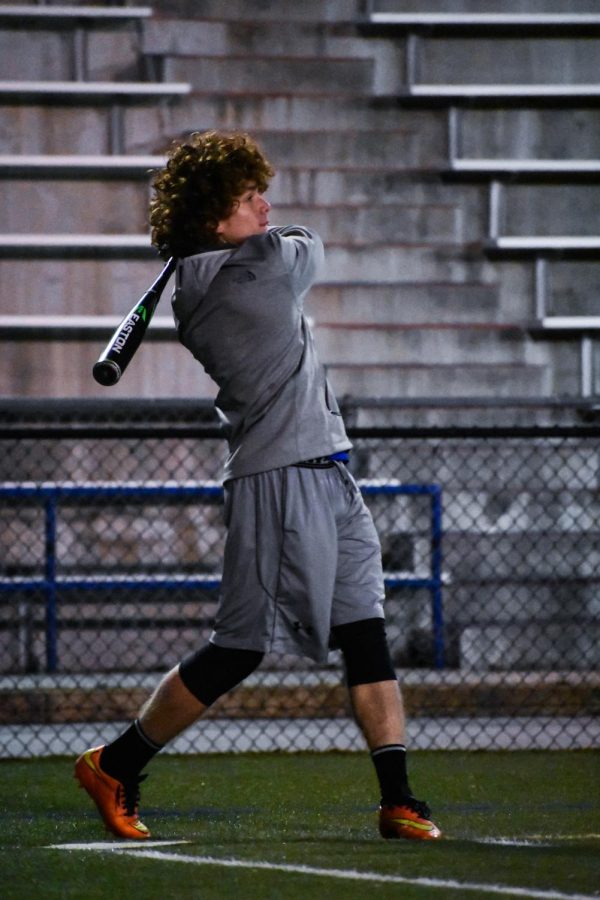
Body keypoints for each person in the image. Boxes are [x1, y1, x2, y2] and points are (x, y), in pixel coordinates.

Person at [74, 130, 441, 843]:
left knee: (364, 631)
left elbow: (277, 237)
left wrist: (227, 231)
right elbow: (312, 242)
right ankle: (115, 763)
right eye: (248, 199)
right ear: (215, 220)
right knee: (240, 647)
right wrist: (255, 237)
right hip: (278, 477)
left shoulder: (207, 279)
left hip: (329, 471)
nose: (265, 207)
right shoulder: (255, 274)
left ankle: (398, 797)